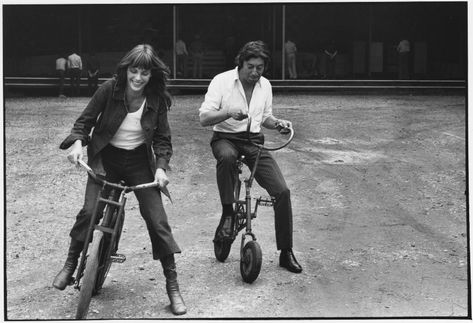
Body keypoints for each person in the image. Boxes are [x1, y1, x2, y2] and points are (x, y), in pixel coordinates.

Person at [52, 44, 187, 315]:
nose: (137, 78)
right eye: (133, 71)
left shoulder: (156, 100)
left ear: (152, 75)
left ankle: (172, 285)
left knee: (157, 220)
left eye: (144, 73)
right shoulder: (109, 89)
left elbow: (162, 140)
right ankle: (70, 262)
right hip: (106, 158)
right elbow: (84, 122)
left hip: (139, 163)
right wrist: (78, 143)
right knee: (90, 211)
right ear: (125, 70)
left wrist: (161, 168)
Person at [199, 40, 303, 274]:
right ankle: (228, 214)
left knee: (282, 191)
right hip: (226, 138)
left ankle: (286, 252)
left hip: (254, 141)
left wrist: (278, 124)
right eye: (250, 67)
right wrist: (228, 112)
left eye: (260, 67)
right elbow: (204, 118)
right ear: (240, 63)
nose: (255, 72)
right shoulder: (222, 81)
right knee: (226, 157)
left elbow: (265, 117)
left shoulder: (265, 85)